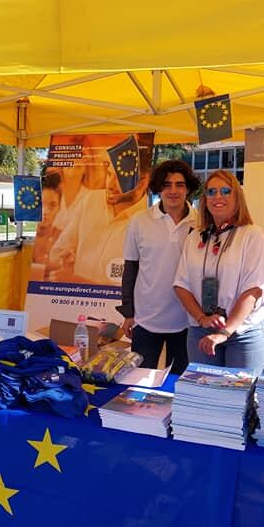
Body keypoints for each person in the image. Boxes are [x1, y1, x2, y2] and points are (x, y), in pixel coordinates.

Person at [174, 169, 264, 371]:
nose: (218, 196)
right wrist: (202, 318)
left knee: (242, 399)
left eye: (226, 191)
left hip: (243, 335)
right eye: (211, 192)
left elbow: (253, 291)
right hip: (201, 331)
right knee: (206, 396)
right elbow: (181, 285)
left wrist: (225, 332)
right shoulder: (195, 237)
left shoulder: (252, 235)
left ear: (237, 197)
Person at [117, 160, 200, 375]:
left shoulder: (201, 222)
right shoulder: (139, 221)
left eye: (180, 184)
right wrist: (128, 312)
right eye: (167, 184)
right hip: (145, 320)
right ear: (158, 188)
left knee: (178, 385)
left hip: (187, 320)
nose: (173, 191)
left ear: (188, 188)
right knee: (139, 382)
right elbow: (131, 268)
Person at [46, 141, 153, 286]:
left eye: (121, 179)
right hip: (74, 305)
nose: (110, 184)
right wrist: (65, 259)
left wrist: (78, 282)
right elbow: (56, 253)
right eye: (109, 174)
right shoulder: (90, 200)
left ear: (142, 182)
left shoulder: (150, 221)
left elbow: (143, 286)